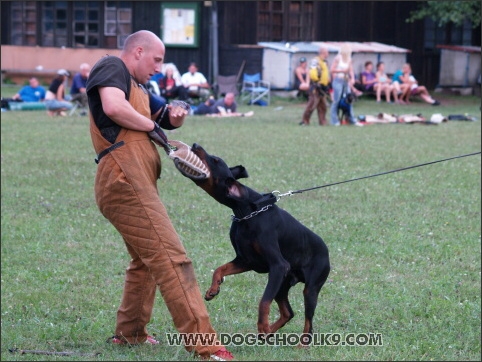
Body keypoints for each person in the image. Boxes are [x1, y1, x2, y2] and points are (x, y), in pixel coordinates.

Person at [85, 30, 234, 361]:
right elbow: (113, 106)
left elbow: (164, 113)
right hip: (124, 176)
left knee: (146, 259)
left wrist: (174, 116)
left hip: (134, 177)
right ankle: (207, 348)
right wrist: (153, 128)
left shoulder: (138, 87)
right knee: (171, 257)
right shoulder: (111, 67)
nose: (160, 67)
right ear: (137, 51)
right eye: (157, 60)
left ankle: (130, 334)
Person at [329, 44, 363, 126]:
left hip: (346, 81)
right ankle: (334, 121)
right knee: (336, 101)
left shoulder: (349, 59)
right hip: (338, 80)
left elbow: (351, 70)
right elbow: (332, 70)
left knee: (349, 100)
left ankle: (352, 119)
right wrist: (341, 71)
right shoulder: (338, 58)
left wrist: (353, 79)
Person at [299, 47, 331, 126]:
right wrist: (317, 82)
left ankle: (323, 122)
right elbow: (312, 73)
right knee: (312, 104)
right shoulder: (315, 61)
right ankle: (305, 121)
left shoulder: (324, 62)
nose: (328, 53)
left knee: (323, 106)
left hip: (323, 87)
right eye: (327, 52)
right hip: (316, 86)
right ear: (323, 52)